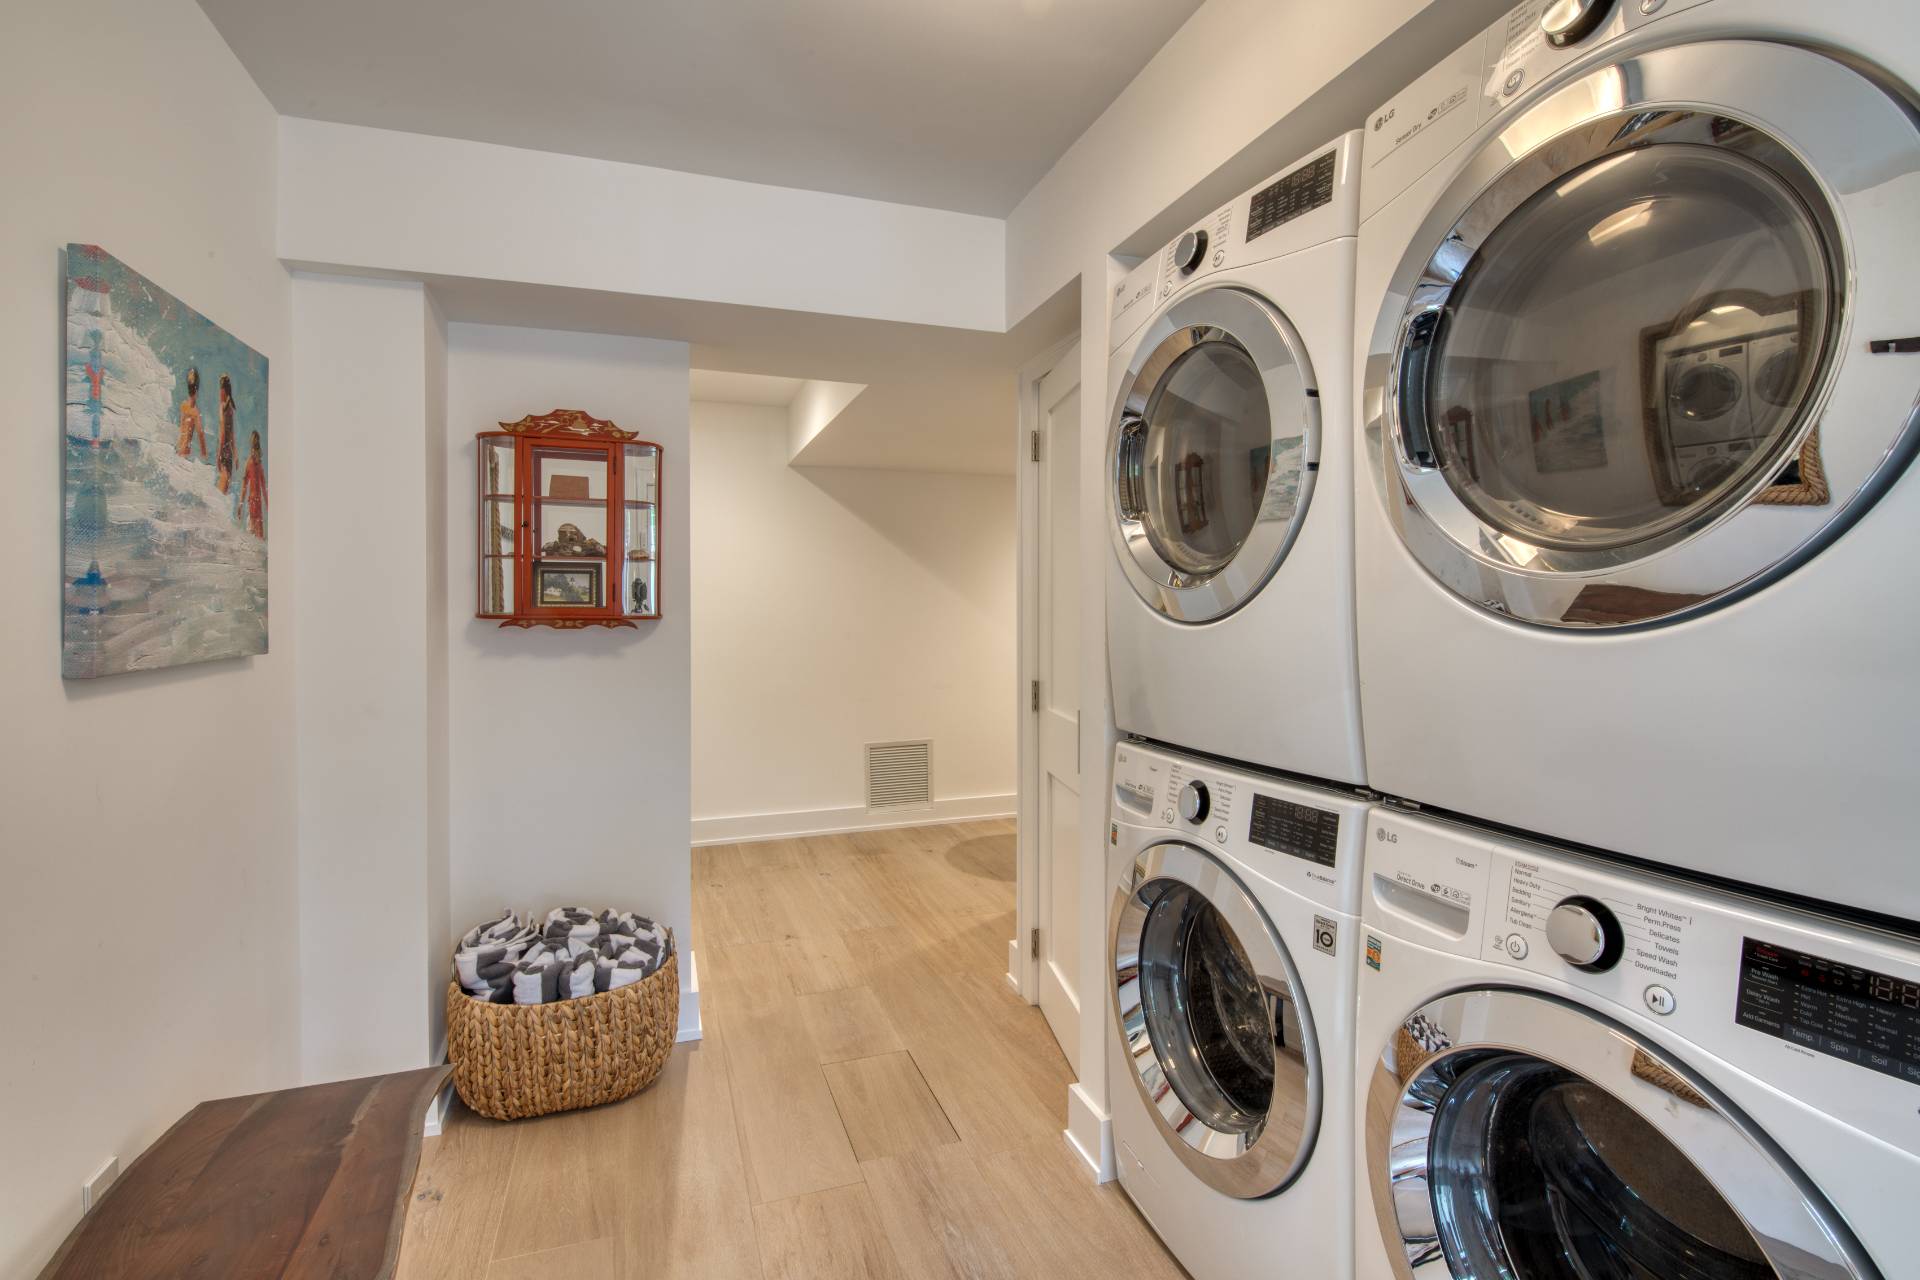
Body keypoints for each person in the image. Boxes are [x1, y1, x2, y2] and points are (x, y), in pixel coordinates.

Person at [240, 431, 267, 538]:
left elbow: (245, 485)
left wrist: (241, 504)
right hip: (255, 502)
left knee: (254, 535)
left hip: (254, 502)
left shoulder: (253, 463)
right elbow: (263, 487)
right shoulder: (256, 464)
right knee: (257, 535)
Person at [175, 367, 206, 458]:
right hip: (185, 453)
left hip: (178, 450)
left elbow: (182, 429)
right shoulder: (195, 412)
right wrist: (204, 454)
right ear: (197, 390)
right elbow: (201, 435)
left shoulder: (183, 405)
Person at [215, 374, 238, 492]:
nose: (219, 393)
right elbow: (232, 434)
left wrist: (218, 455)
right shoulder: (230, 409)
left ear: (223, 390)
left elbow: (223, 433)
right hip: (229, 453)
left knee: (220, 491)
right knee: (224, 490)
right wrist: (236, 455)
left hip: (224, 451)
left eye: (220, 389)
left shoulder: (223, 407)